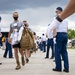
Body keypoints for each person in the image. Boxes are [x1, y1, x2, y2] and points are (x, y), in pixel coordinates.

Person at [49, 7, 69, 73]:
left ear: (59, 11)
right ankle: (66, 68)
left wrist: (54, 37)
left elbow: (54, 28)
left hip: (59, 35)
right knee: (64, 52)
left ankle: (58, 67)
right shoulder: (66, 19)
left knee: (57, 52)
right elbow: (67, 29)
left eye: (56, 11)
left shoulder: (56, 18)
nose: (56, 12)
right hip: (65, 35)